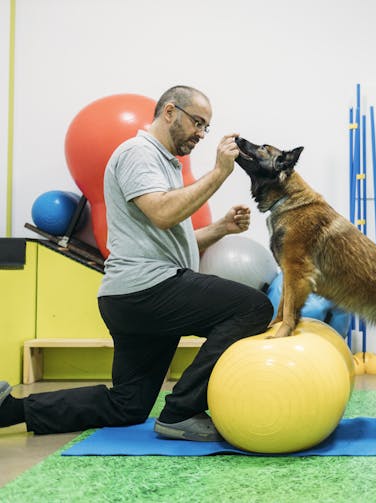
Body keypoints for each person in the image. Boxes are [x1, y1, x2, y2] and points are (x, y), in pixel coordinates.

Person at [0, 85, 273, 441]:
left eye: (207, 127)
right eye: (198, 123)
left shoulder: (164, 164)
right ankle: (181, 410)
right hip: (147, 290)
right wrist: (221, 173)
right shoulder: (138, 153)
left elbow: (172, 238)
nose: (201, 135)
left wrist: (220, 228)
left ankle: (10, 410)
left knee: (127, 405)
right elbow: (162, 214)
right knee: (252, 308)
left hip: (133, 295)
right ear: (170, 112)